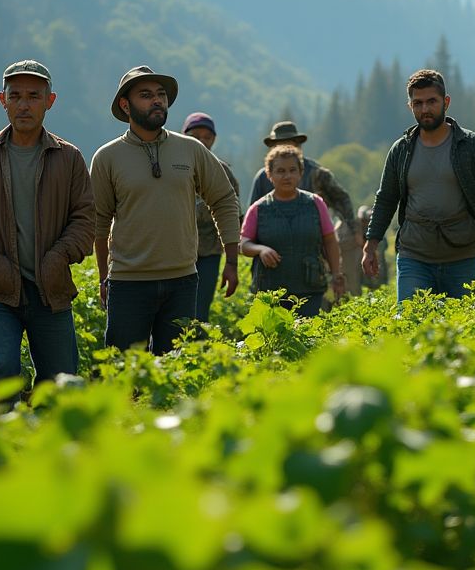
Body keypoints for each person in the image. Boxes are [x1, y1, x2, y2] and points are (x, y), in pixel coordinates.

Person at [0, 60, 95, 387]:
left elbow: (85, 220)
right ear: (2, 101)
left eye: (33, 96)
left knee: (60, 380)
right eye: (15, 96)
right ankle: (2, 435)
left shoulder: (69, 157)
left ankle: (48, 437)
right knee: (0, 369)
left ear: (50, 101)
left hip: (51, 289)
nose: (24, 105)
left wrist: (58, 258)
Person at [90, 66, 242, 355]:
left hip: (182, 283)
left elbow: (223, 198)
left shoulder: (192, 149)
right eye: (146, 95)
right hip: (127, 283)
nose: (157, 100)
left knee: (175, 375)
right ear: (126, 105)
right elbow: (98, 222)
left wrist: (232, 260)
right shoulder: (107, 157)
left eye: (161, 95)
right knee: (124, 376)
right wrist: (102, 278)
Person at [362, 68, 475, 300]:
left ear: (446, 102)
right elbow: (386, 199)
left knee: (462, 330)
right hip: (414, 256)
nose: (425, 109)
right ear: (410, 106)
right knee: (411, 326)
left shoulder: (469, 145)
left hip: (463, 256)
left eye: (432, 101)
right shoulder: (401, 150)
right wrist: (371, 245)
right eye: (417, 103)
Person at [240, 144, 344, 317]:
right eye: (280, 171)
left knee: (309, 339)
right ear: (269, 175)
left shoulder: (316, 203)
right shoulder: (258, 209)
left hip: (310, 288)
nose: (287, 176)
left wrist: (336, 275)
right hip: (270, 293)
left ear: (300, 173)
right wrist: (261, 249)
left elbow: (330, 241)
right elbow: (244, 244)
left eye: (292, 170)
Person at [247, 121, 361, 255]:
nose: (285, 149)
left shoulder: (317, 174)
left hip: (313, 249)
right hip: (271, 252)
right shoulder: (262, 177)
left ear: (298, 145)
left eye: (289, 143)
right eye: (280, 144)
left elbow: (342, 200)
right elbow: (251, 218)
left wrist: (354, 232)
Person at [181, 111, 243, 322]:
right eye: (196, 136)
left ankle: (196, 352)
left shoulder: (222, 171)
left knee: (199, 311)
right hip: (174, 252)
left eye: (207, 137)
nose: (202, 141)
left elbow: (233, 211)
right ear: (184, 136)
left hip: (208, 253)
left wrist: (232, 260)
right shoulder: (173, 167)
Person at [357, 205, 389, 289]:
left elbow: (383, 247)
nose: (366, 223)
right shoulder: (359, 234)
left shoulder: (376, 235)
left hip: (379, 267)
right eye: (364, 221)